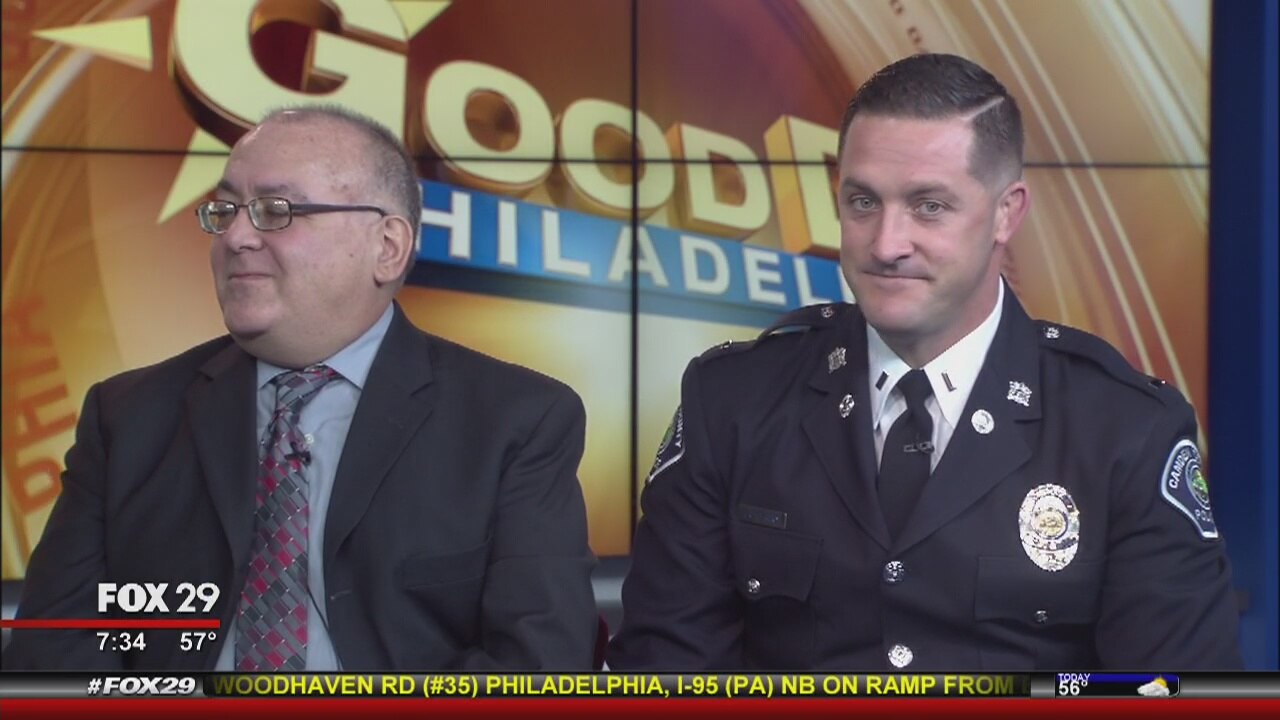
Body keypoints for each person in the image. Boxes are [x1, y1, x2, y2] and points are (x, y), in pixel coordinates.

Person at [608, 53, 1241, 670]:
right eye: (863, 202)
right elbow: (664, 675)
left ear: (1006, 213)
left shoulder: (1125, 428)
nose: (886, 244)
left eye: (928, 206)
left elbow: (1172, 690)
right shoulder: (732, 401)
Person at [5, 106, 598, 671]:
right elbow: (54, 650)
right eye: (225, 210)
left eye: (276, 210)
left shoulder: (516, 420)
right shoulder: (127, 417)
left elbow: (538, 662)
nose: (236, 237)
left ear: (387, 247)